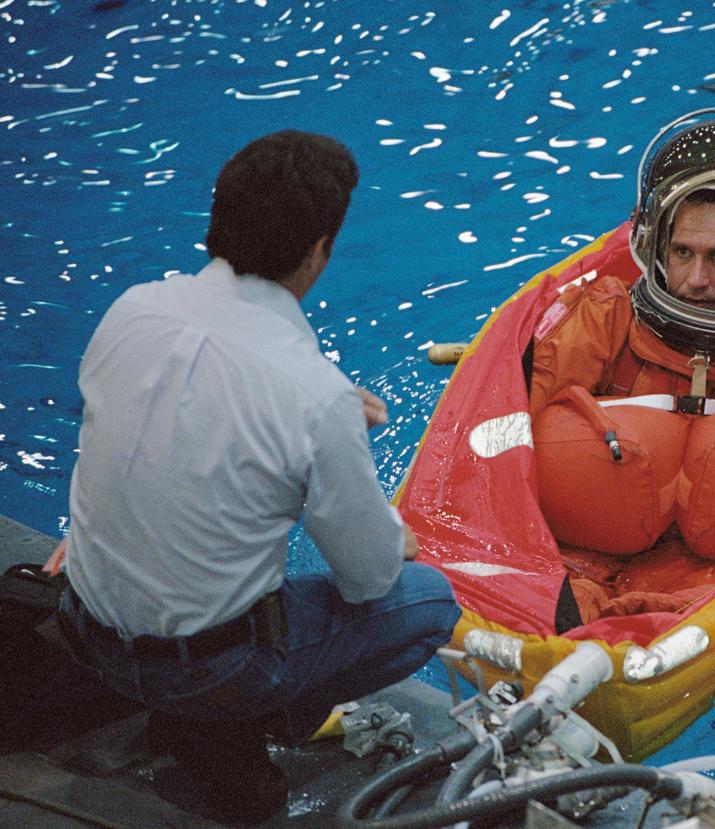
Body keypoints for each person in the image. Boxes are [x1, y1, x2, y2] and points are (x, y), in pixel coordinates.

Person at [56, 130, 460, 823]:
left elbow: (182, 422)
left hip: (82, 628)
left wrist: (324, 414)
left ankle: (197, 718)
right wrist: (390, 528)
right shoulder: (314, 396)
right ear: (318, 252)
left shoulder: (132, 309)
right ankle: (237, 731)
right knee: (426, 601)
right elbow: (368, 578)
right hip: (205, 671)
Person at [529, 109, 715, 562]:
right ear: (660, 248)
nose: (695, 278)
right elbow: (507, 448)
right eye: (683, 252)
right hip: (569, 571)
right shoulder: (605, 321)